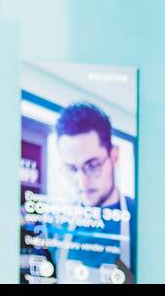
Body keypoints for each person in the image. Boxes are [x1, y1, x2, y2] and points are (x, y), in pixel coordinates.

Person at [37, 102, 136, 284]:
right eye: (71, 169)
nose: (83, 182)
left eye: (92, 166)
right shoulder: (55, 224)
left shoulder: (143, 222)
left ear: (114, 156)